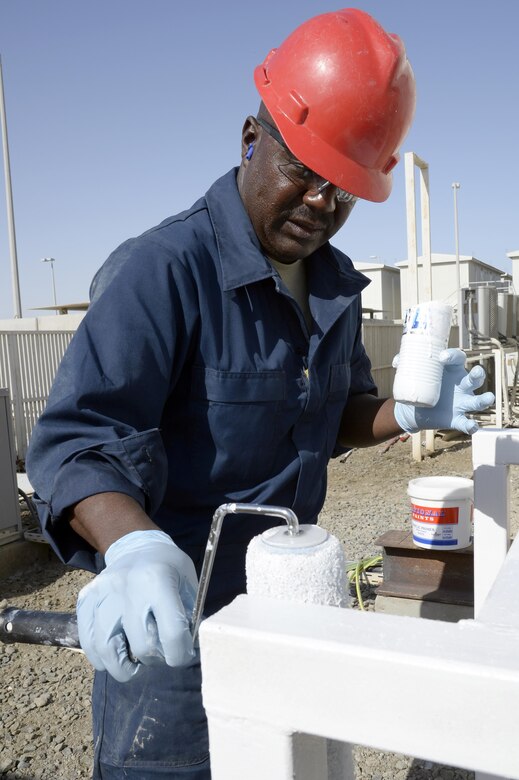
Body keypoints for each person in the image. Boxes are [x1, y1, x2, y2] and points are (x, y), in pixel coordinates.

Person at [26, 8, 494, 779]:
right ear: (251, 137)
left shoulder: (336, 288)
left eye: (342, 186)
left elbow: (332, 415)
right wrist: (134, 548)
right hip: (173, 620)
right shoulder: (163, 272)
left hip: (290, 599)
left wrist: (405, 413)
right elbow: (78, 441)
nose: (319, 202)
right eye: (303, 169)